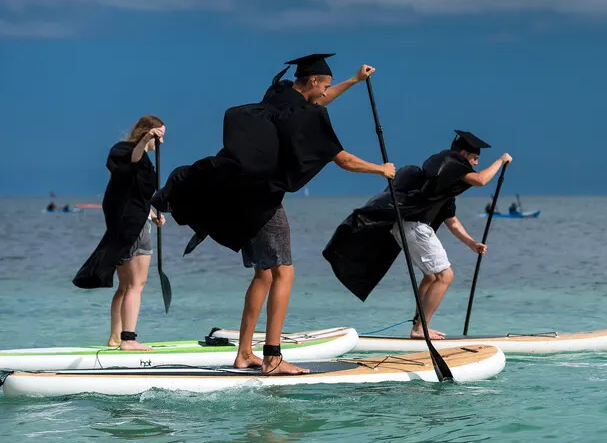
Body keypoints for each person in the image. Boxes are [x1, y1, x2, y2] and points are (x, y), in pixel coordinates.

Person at [152, 53, 394, 375]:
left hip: (241, 192)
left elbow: (315, 103)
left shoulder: (278, 95)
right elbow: (343, 160)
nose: (326, 93)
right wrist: (381, 170)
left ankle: (243, 354)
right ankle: (272, 357)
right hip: (261, 199)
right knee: (284, 272)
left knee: (264, 273)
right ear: (311, 83)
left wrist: (353, 81)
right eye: (325, 86)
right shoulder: (304, 114)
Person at [323, 130, 512, 340]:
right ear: (464, 154)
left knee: (431, 276)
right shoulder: (450, 161)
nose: (476, 163)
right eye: (475, 158)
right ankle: (420, 329)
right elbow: (480, 180)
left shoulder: (445, 180)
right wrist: (500, 161)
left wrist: (471, 243)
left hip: (406, 227)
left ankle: (418, 325)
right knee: (445, 276)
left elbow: (451, 220)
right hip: (415, 227)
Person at [73, 115, 167, 351]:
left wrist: (153, 213)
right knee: (137, 285)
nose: (161, 141)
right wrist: (146, 138)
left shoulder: (142, 159)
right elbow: (131, 163)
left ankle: (115, 337)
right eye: (160, 134)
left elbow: (134, 195)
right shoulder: (125, 151)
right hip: (132, 229)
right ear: (147, 131)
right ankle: (129, 339)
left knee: (125, 287)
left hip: (132, 223)